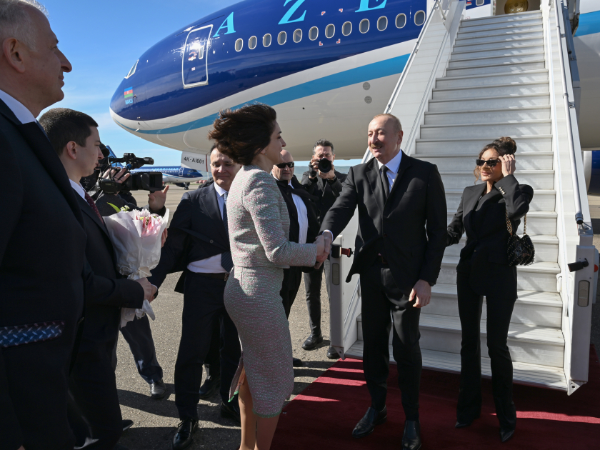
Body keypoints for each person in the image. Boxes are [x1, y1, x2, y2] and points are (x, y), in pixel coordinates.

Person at [320, 113, 447, 448]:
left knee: (406, 348)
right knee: (373, 347)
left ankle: (412, 418)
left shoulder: (424, 173)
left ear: (398, 136)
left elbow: (437, 233)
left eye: (380, 133)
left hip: (408, 279)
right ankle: (377, 408)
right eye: (369, 134)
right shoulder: (359, 174)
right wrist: (326, 233)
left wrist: (426, 278)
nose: (373, 139)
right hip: (372, 275)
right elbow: (340, 208)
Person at [208, 103, 327, 450]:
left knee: (253, 370)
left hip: (244, 289)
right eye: (278, 137)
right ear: (261, 145)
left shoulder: (243, 177)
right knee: (275, 380)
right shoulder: (260, 181)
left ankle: (247, 446)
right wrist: (317, 249)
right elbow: (277, 251)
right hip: (257, 294)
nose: (283, 142)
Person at [40, 107, 156, 449]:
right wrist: (135, 290)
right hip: (82, 336)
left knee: (96, 423)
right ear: (73, 149)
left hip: (97, 328)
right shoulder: (58, 201)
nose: (102, 155)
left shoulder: (76, 192)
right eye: (97, 145)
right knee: (100, 431)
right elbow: (80, 280)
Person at [0, 2, 86, 449]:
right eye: (54, 48)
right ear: (15, 53)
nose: (67, 63)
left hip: (40, 386)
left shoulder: (19, 134)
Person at [149, 147, 243, 450]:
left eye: (228, 163)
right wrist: (152, 283)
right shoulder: (193, 199)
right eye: (216, 164)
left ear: (239, 165)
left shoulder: (250, 197)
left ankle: (229, 402)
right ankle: (187, 416)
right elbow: (174, 247)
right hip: (202, 287)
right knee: (191, 352)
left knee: (234, 351)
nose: (221, 169)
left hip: (239, 285)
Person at [447, 137, 533, 443]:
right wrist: (426, 238)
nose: (484, 166)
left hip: (500, 275)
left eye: (492, 162)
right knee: (469, 343)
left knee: (497, 346)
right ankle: (468, 409)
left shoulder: (518, 190)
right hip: (469, 272)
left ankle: (506, 416)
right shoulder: (469, 192)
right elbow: (455, 229)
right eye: (481, 161)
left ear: (506, 163)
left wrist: (509, 178)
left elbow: (517, 211)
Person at [273, 149, 321, 367]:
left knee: (285, 313)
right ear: (272, 166)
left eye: (290, 165)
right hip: (278, 265)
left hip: (296, 263)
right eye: (282, 165)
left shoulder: (296, 188)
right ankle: (276, 363)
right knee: (276, 316)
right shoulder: (270, 191)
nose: (287, 169)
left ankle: (281, 355)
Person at [301, 139, 347, 358]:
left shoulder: (343, 178)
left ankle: (336, 338)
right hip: (311, 244)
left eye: (327, 155)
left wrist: (332, 179)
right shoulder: (307, 178)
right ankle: (315, 334)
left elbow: (346, 199)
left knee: (333, 293)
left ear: (333, 157)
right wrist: (312, 176)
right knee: (311, 292)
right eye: (320, 155)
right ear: (313, 158)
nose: (324, 158)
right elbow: (301, 196)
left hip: (333, 244)